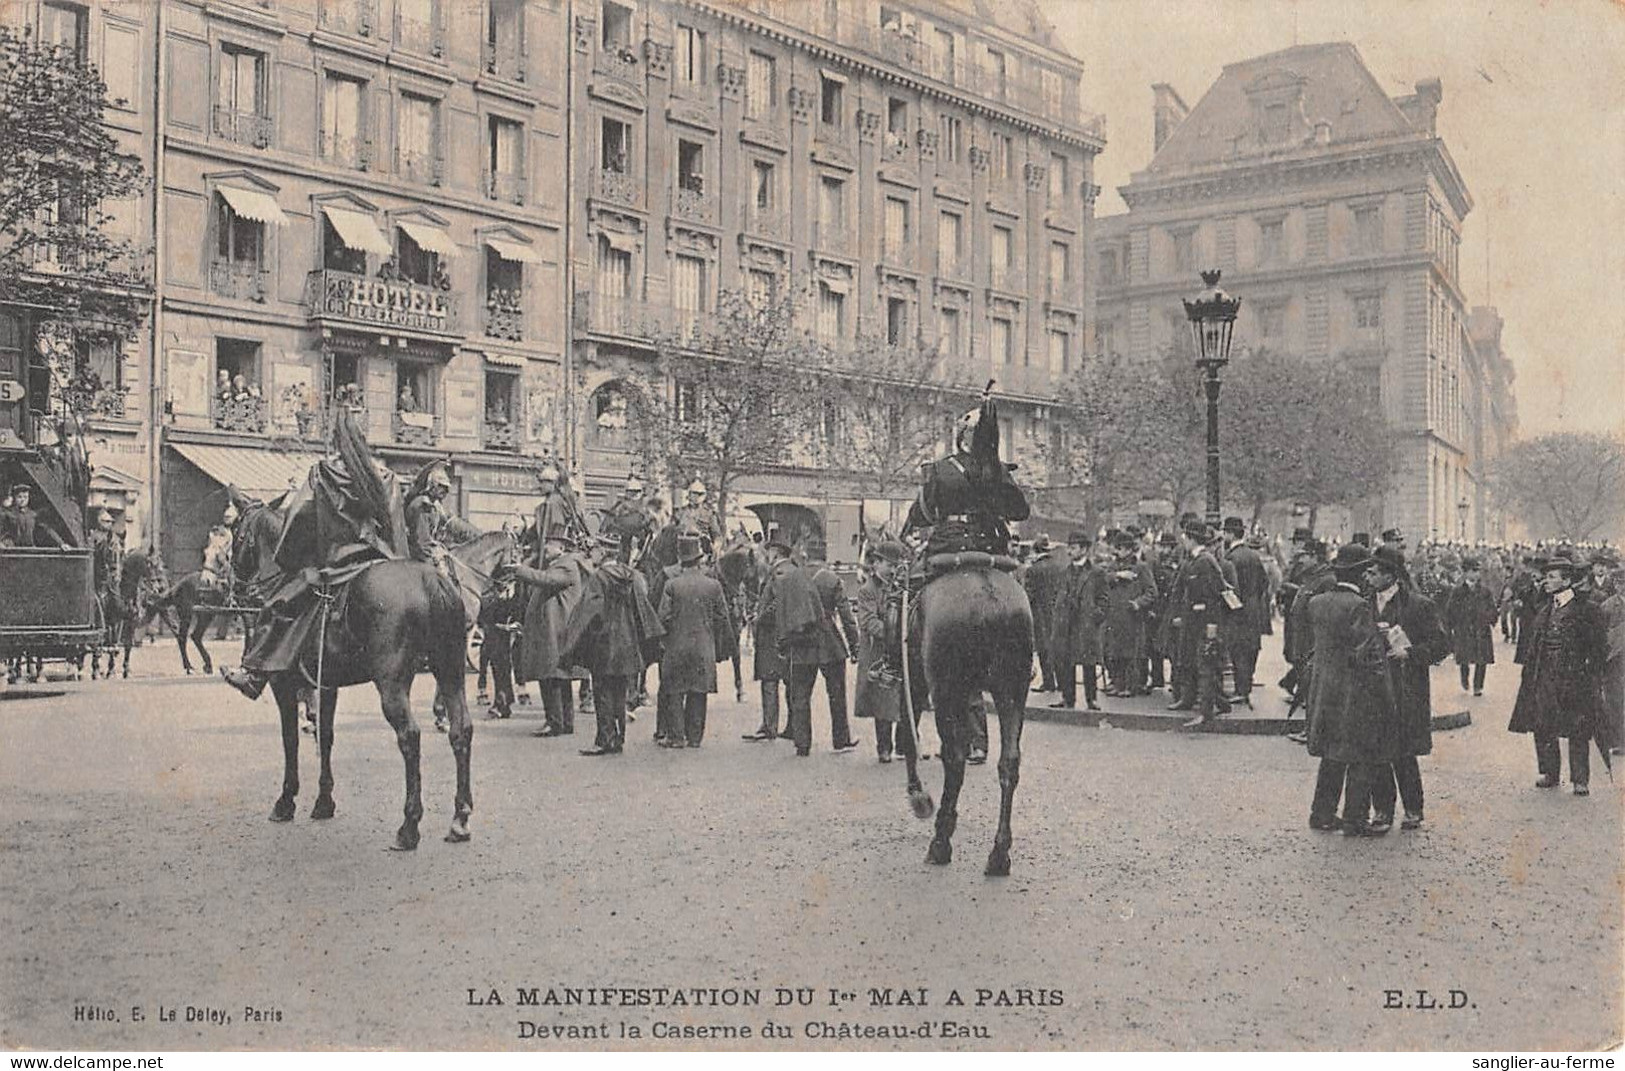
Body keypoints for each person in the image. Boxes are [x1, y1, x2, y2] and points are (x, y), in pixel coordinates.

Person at [221, 409, 408, 699]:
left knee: (278, 605)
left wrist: (291, 558)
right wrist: (398, 568)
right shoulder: (385, 476)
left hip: (336, 565)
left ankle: (254, 675)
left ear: (336, 440)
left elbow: (299, 519)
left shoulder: (324, 473)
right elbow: (396, 527)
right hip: (380, 561)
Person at [1304, 543, 1397, 835]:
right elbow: (1368, 656)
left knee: (1331, 755)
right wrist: (1385, 695)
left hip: (1323, 691)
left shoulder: (1317, 602)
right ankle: (1355, 819)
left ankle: (1322, 814)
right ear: (1358, 575)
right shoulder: (1358, 607)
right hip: (1354, 694)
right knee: (1360, 756)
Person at [1508, 551, 1609, 795]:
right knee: (1543, 725)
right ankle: (1550, 773)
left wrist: (1591, 676)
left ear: (1566, 581)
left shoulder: (1587, 610)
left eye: (1552, 577)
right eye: (1546, 577)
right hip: (1545, 678)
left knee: (1578, 729)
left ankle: (1580, 779)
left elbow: (1599, 648)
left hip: (1575, 679)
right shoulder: (1544, 610)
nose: (1546, 581)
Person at [1367, 545, 1450, 831]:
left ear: (1392, 575)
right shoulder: (1363, 603)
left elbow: (1441, 645)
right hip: (1373, 687)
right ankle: (1382, 811)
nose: (1369, 577)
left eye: (1375, 572)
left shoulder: (1418, 605)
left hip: (1405, 687)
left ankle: (1413, 808)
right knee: (1376, 751)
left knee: (1404, 752)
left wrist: (1411, 653)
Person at [564, 532, 663, 755]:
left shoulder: (599, 577)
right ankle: (618, 739)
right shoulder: (632, 576)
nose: (593, 554)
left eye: (595, 550)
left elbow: (589, 612)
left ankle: (603, 740)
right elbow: (643, 611)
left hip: (604, 645)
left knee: (602, 692)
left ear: (602, 552)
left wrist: (574, 638)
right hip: (627, 645)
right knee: (620, 693)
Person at [901, 387, 1030, 556]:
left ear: (962, 437)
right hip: (989, 543)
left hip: (948, 543)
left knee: (914, 578)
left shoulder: (939, 469)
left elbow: (919, 516)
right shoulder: (999, 470)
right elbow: (1020, 512)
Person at [785, 536, 861, 757]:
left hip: (801, 642)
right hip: (829, 642)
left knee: (800, 695)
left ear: (806, 555)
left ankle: (802, 743)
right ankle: (841, 739)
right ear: (825, 557)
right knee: (836, 693)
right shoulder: (831, 579)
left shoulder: (792, 578)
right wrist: (855, 646)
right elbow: (846, 617)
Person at [655, 534, 733, 748]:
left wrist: (666, 640)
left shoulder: (672, 585)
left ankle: (676, 737)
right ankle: (695, 737)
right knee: (698, 691)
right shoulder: (714, 585)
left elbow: (663, 617)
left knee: (675, 691)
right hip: (703, 646)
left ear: (681, 559)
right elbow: (722, 618)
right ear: (699, 560)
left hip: (676, 646)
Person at [508, 532, 588, 738]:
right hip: (555, 631)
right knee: (561, 679)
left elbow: (546, 580)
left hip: (555, 632)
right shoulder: (563, 564)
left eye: (549, 547)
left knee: (550, 678)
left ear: (560, 548)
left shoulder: (566, 565)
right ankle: (565, 722)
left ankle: (554, 723)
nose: (545, 550)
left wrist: (520, 570)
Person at [744, 538, 812, 742]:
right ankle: (792, 726)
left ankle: (769, 726)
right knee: (789, 682)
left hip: (772, 635)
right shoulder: (794, 571)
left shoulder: (778, 573)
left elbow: (777, 603)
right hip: (787, 634)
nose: (766, 556)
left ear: (775, 553)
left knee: (769, 681)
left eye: (769, 552)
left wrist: (760, 617)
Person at [854, 540, 908, 762]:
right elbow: (868, 622)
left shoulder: (899, 589)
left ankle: (903, 746)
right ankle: (884, 747)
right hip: (879, 652)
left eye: (896, 566)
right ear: (876, 564)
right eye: (889, 564)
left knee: (902, 697)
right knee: (883, 699)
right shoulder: (868, 590)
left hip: (899, 650)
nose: (893, 570)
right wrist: (894, 635)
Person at [1050, 532, 1106, 712]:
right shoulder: (1064, 572)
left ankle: (1092, 699)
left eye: (1073, 548)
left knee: (1088, 663)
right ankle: (1068, 698)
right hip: (1066, 623)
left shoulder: (1096, 572)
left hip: (1086, 624)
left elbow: (1104, 599)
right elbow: (1057, 595)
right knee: (1066, 661)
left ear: (1084, 549)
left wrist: (1096, 616)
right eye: (1069, 547)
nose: (1069, 551)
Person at [1100, 530, 1157, 698]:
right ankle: (1117, 683)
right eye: (1118, 548)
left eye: (1122, 548)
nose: (1119, 552)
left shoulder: (1141, 567)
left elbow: (1152, 591)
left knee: (1131, 653)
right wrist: (1117, 575)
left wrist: (1138, 603)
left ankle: (1131, 685)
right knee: (1114, 651)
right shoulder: (1113, 567)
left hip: (1132, 617)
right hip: (1114, 616)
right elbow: (1102, 580)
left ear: (1130, 550)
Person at [1221, 517, 1271, 706]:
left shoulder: (1232, 557)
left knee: (1238, 650)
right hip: (1253, 608)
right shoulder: (1253, 555)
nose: (1223, 536)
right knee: (1250, 649)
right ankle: (1245, 688)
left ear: (1231, 534)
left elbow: (1230, 587)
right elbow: (1264, 583)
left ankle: (1240, 690)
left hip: (1238, 609)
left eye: (1225, 532)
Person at [1444, 557, 1498, 696]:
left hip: (1481, 629)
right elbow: (1450, 610)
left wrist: (1489, 618)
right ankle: (1464, 677)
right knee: (1465, 657)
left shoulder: (1485, 592)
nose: (1476, 574)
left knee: (1482, 659)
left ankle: (1478, 686)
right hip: (1464, 629)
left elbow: (1492, 608)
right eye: (1473, 571)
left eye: (1478, 571)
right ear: (1466, 572)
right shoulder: (1457, 592)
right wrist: (1452, 626)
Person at [1022, 534, 1067, 693]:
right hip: (1057, 611)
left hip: (1040, 613)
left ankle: (1048, 682)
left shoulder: (1033, 570)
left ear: (1035, 551)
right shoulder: (1060, 567)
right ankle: (1062, 682)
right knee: (1057, 646)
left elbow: (1029, 594)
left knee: (1043, 647)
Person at [600, 473, 653, 562]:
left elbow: (647, 527)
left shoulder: (644, 507)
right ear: (627, 492)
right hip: (620, 541)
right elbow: (609, 521)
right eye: (631, 491)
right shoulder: (620, 506)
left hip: (636, 542)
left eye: (636, 491)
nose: (634, 494)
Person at [0, 485, 69, 548]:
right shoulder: (8, 514)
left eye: (25, 497)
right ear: (15, 498)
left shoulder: (33, 515)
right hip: (14, 550)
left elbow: (47, 529)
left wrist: (61, 543)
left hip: (30, 549)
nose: (22, 500)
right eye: (19, 497)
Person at [673, 480, 723, 562]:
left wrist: (716, 545)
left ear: (705, 496)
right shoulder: (680, 512)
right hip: (680, 549)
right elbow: (673, 530)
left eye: (700, 494)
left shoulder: (709, 514)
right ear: (689, 494)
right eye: (694, 493)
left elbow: (716, 534)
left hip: (701, 551)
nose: (697, 496)